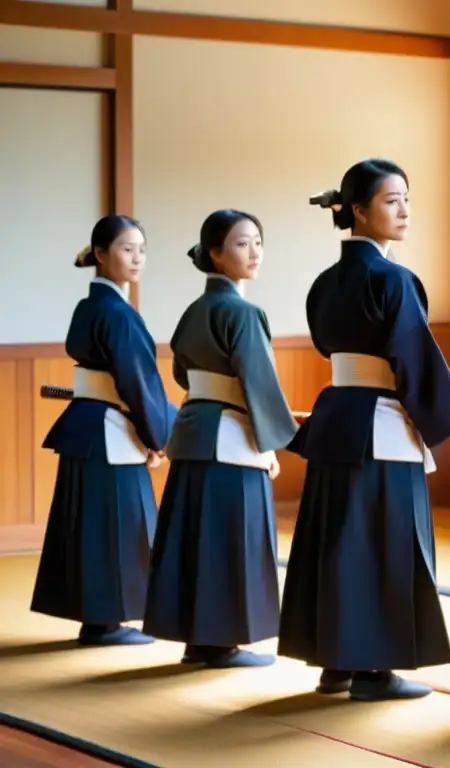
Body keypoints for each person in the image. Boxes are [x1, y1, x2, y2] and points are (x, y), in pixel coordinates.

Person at [277, 158, 450, 701]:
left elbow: (330, 348)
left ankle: (336, 663)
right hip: (381, 426)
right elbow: (413, 356)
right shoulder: (394, 279)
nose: (404, 210)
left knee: (337, 543)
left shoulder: (325, 283)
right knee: (383, 545)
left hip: (338, 417)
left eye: (407, 199)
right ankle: (373, 670)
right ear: (359, 211)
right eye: (392, 200)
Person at [143, 209, 297, 669]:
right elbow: (258, 383)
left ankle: (199, 638)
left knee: (196, 538)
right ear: (215, 253)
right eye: (241, 243)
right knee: (231, 540)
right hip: (231, 436)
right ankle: (221, 641)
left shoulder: (195, 310)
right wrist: (269, 446)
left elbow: (178, 372)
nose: (253, 252)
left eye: (257, 242)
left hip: (193, 432)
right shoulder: (244, 312)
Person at [31, 215, 176, 646]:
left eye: (142, 250)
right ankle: (105, 621)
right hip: (112, 426)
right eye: (126, 249)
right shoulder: (116, 312)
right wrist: (158, 437)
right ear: (99, 254)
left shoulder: (91, 306)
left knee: (91, 526)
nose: (137, 258)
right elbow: (137, 383)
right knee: (117, 525)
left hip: (89, 425)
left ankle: (98, 619)